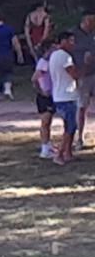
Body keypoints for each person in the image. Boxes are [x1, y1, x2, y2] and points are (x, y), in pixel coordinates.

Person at [50, 30, 80, 165]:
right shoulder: (65, 57)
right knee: (70, 127)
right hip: (66, 96)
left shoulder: (54, 55)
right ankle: (59, 154)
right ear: (63, 41)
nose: (73, 44)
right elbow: (74, 74)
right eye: (71, 41)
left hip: (59, 95)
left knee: (70, 126)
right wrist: (84, 66)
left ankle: (68, 153)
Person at [72, 11, 95, 148]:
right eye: (91, 21)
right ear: (84, 21)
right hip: (83, 75)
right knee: (82, 106)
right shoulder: (74, 35)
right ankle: (79, 137)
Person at [32, 39, 57, 159]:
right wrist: (41, 91)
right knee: (45, 122)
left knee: (49, 121)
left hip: (52, 94)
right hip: (45, 96)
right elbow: (34, 79)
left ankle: (48, 144)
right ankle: (44, 148)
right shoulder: (44, 63)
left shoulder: (51, 62)